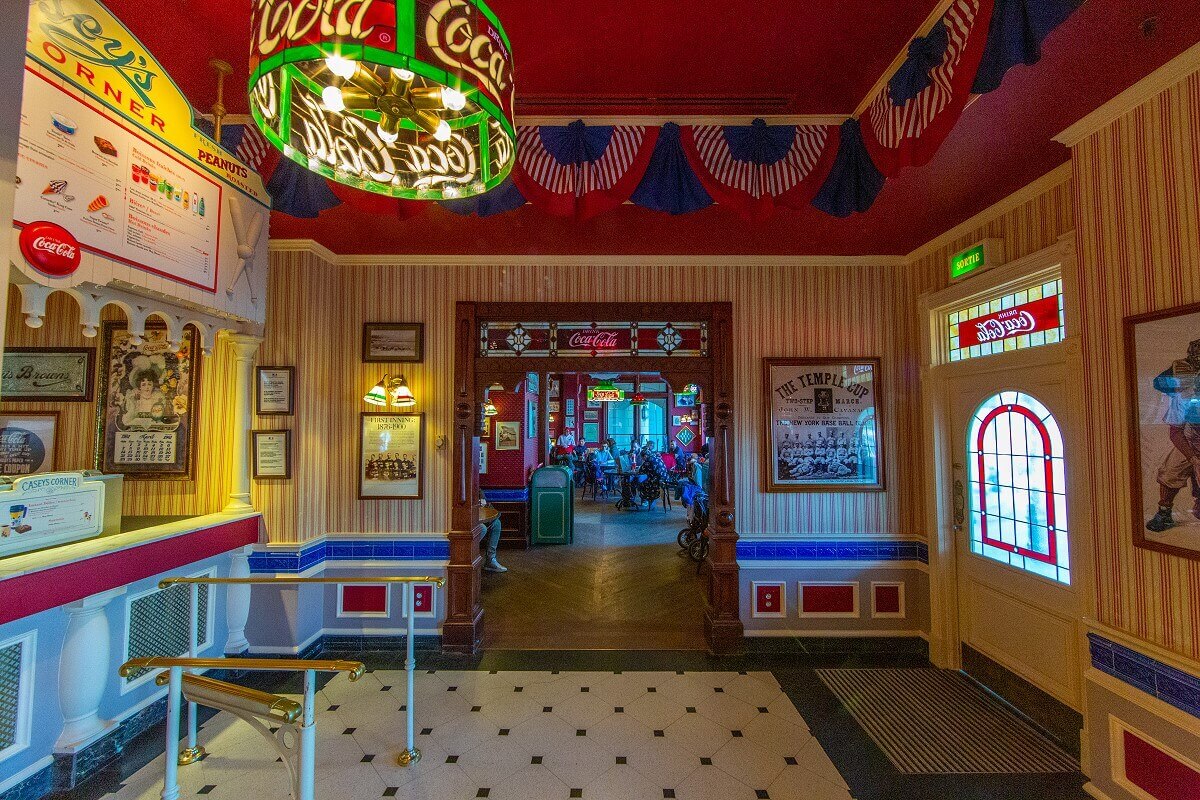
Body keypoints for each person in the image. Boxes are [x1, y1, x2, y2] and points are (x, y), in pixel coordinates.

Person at [1146, 338, 1200, 532]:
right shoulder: (1183, 399)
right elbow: (1176, 433)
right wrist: (1193, 458)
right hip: (1190, 441)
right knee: (1170, 471)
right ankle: (1164, 513)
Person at [480, 496, 507, 572]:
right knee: (482, 529)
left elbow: (479, 491)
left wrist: (482, 499)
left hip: (476, 513)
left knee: (496, 523)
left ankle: (490, 560)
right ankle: (468, 560)